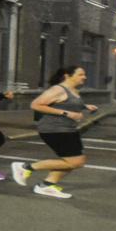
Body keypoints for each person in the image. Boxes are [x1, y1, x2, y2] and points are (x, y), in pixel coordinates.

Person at [13, 65, 96, 199]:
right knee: (76, 162)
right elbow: (36, 105)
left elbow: (66, 103)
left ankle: (47, 185)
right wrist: (66, 113)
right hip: (55, 129)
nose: (84, 77)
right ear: (67, 75)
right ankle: (26, 167)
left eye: (84, 74)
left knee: (71, 161)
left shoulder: (73, 90)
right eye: (80, 74)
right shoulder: (58, 89)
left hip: (68, 129)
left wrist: (85, 106)